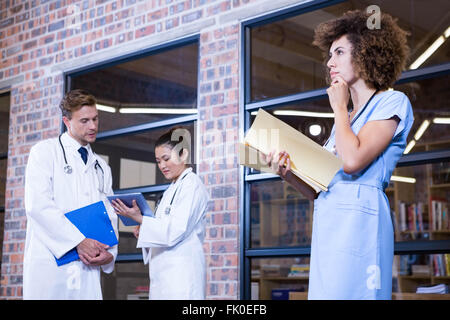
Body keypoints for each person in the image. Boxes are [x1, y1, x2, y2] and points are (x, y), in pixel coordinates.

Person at [266, 10, 413, 299]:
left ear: (366, 54)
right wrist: (288, 174)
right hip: (328, 224)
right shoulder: (344, 120)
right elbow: (320, 190)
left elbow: (352, 162)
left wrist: (338, 109)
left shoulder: (392, 102)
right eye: (329, 55)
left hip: (362, 223)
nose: (330, 63)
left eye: (340, 52)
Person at [23, 89, 118, 299]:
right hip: (51, 268)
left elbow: (109, 215)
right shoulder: (44, 153)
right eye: (84, 120)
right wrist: (78, 241)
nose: (93, 126)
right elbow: (38, 206)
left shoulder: (102, 167)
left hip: (88, 269)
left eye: (95, 119)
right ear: (66, 121)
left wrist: (109, 255)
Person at [111, 127, 209, 299]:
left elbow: (174, 231)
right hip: (164, 275)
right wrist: (144, 227)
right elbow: (163, 228)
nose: (162, 166)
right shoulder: (171, 189)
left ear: (183, 154)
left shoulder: (192, 185)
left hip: (182, 276)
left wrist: (140, 218)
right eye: (158, 161)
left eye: (166, 158)